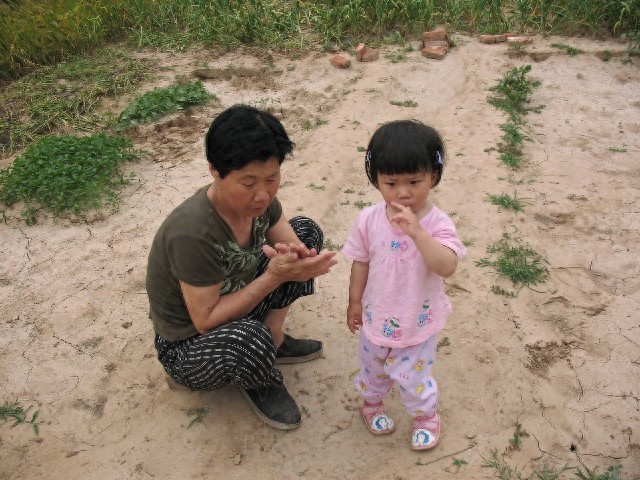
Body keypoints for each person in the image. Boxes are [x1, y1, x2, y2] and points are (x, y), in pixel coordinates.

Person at [146, 104, 338, 430]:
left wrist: (302, 262)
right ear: (215, 171)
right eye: (248, 182)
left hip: (236, 298)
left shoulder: (261, 203)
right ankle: (258, 377)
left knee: (306, 231)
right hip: (190, 342)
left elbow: (294, 246)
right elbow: (205, 321)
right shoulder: (192, 232)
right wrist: (275, 275)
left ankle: (273, 339)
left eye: (272, 178)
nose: (262, 194)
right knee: (250, 340)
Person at [342, 120, 466, 450]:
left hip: (418, 321)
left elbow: (448, 266)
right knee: (373, 371)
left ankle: (425, 417)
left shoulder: (437, 223)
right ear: (375, 179)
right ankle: (372, 405)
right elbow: (360, 262)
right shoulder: (368, 219)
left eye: (415, 181)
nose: (404, 192)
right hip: (376, 317)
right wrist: (355, 302)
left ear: (434, 176)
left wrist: (418, 234)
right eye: (391, 182)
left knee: (414, 378)